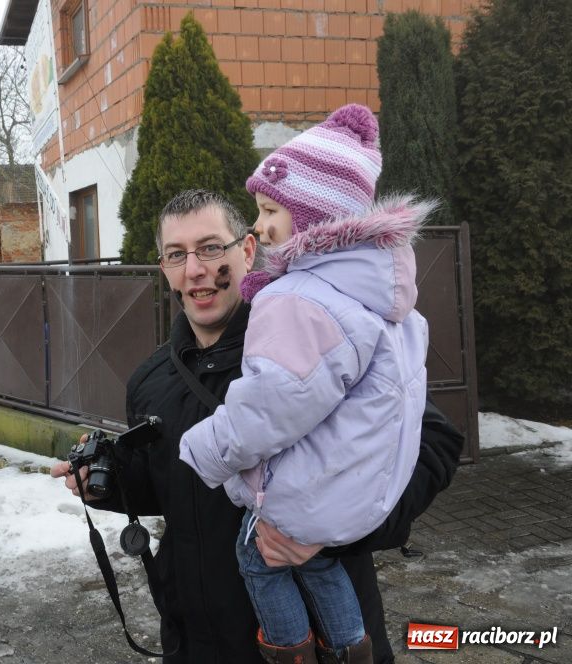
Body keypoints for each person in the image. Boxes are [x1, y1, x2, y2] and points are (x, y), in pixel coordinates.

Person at [51, 188, 463, 664]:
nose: (195, 270)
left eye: (210, 248)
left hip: (321, 644)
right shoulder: (151, 379)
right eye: (175, 255)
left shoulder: (316, 336)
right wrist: (106, 486)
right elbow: (169, 487)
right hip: (199, 644)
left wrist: (337, 532)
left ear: (248, 251)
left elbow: (435, 443)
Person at [178, 105, 430, 664]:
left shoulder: (300, 301)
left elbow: (270, 407)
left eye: (271, 210)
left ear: (315, 219)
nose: (259, 226)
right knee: (319, 565)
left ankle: (291, 651)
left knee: (256, 557)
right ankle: (348, 648)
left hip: (303, 501)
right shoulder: (387, 304)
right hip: (356, 498)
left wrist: (202, 450)